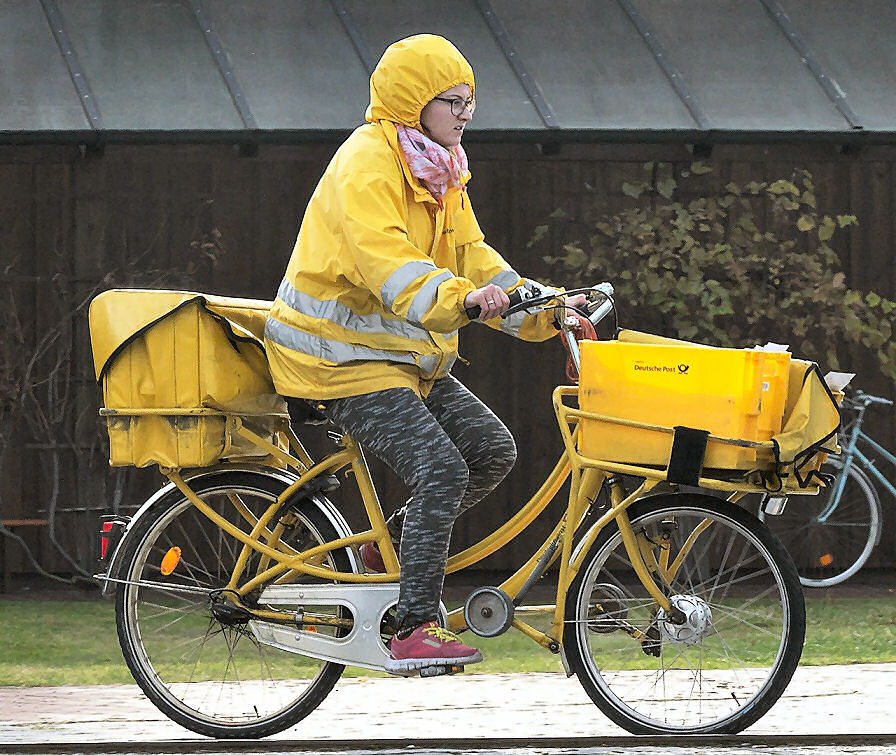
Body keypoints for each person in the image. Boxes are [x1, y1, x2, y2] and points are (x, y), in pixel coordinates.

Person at [264, 34, 582, 674]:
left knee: (492, 450)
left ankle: (397, 553)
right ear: (413, 102)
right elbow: (388, 262)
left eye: (470, 101)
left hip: (398, 357)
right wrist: (462, 303)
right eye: (452, 101)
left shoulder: (439, 167)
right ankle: (413, 626)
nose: (466, 114)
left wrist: (546, 309)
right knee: (443, 467)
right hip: (338, 360)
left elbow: (472, 256)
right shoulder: (366, 166)